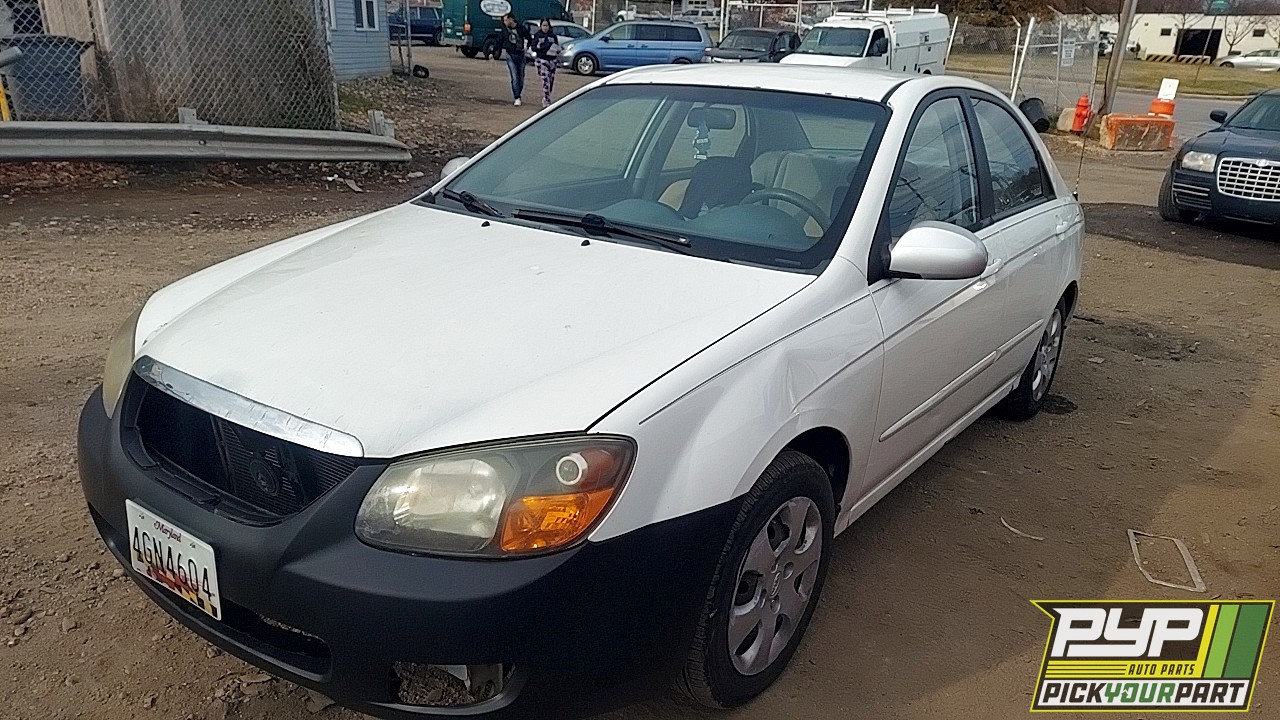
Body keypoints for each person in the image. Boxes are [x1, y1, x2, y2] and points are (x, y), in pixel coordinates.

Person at [497, 14, 531, 106]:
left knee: (521, 77)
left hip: (521, 55)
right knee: (514, 76)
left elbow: (529, 37)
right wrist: (492, 51)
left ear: (511, 19)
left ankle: (518, 92)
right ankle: (517, 97)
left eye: (506, 20)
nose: (504, 22)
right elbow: (499, 40)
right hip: (510, 55)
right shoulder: (505, 30)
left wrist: (527, 46)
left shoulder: (521, 29)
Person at [530, 19, 560, 108]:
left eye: (546, 26)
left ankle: (547, 97)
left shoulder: (553, 36)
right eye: (543, 25)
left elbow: (557, 47)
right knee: (545, 80)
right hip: (542, 60)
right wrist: (540, 47)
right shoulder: (538, 35)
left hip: (552, 60)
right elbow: (533, 47)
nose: (545, 28)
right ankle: (547, 100)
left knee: (551, 81)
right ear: (540, 26)